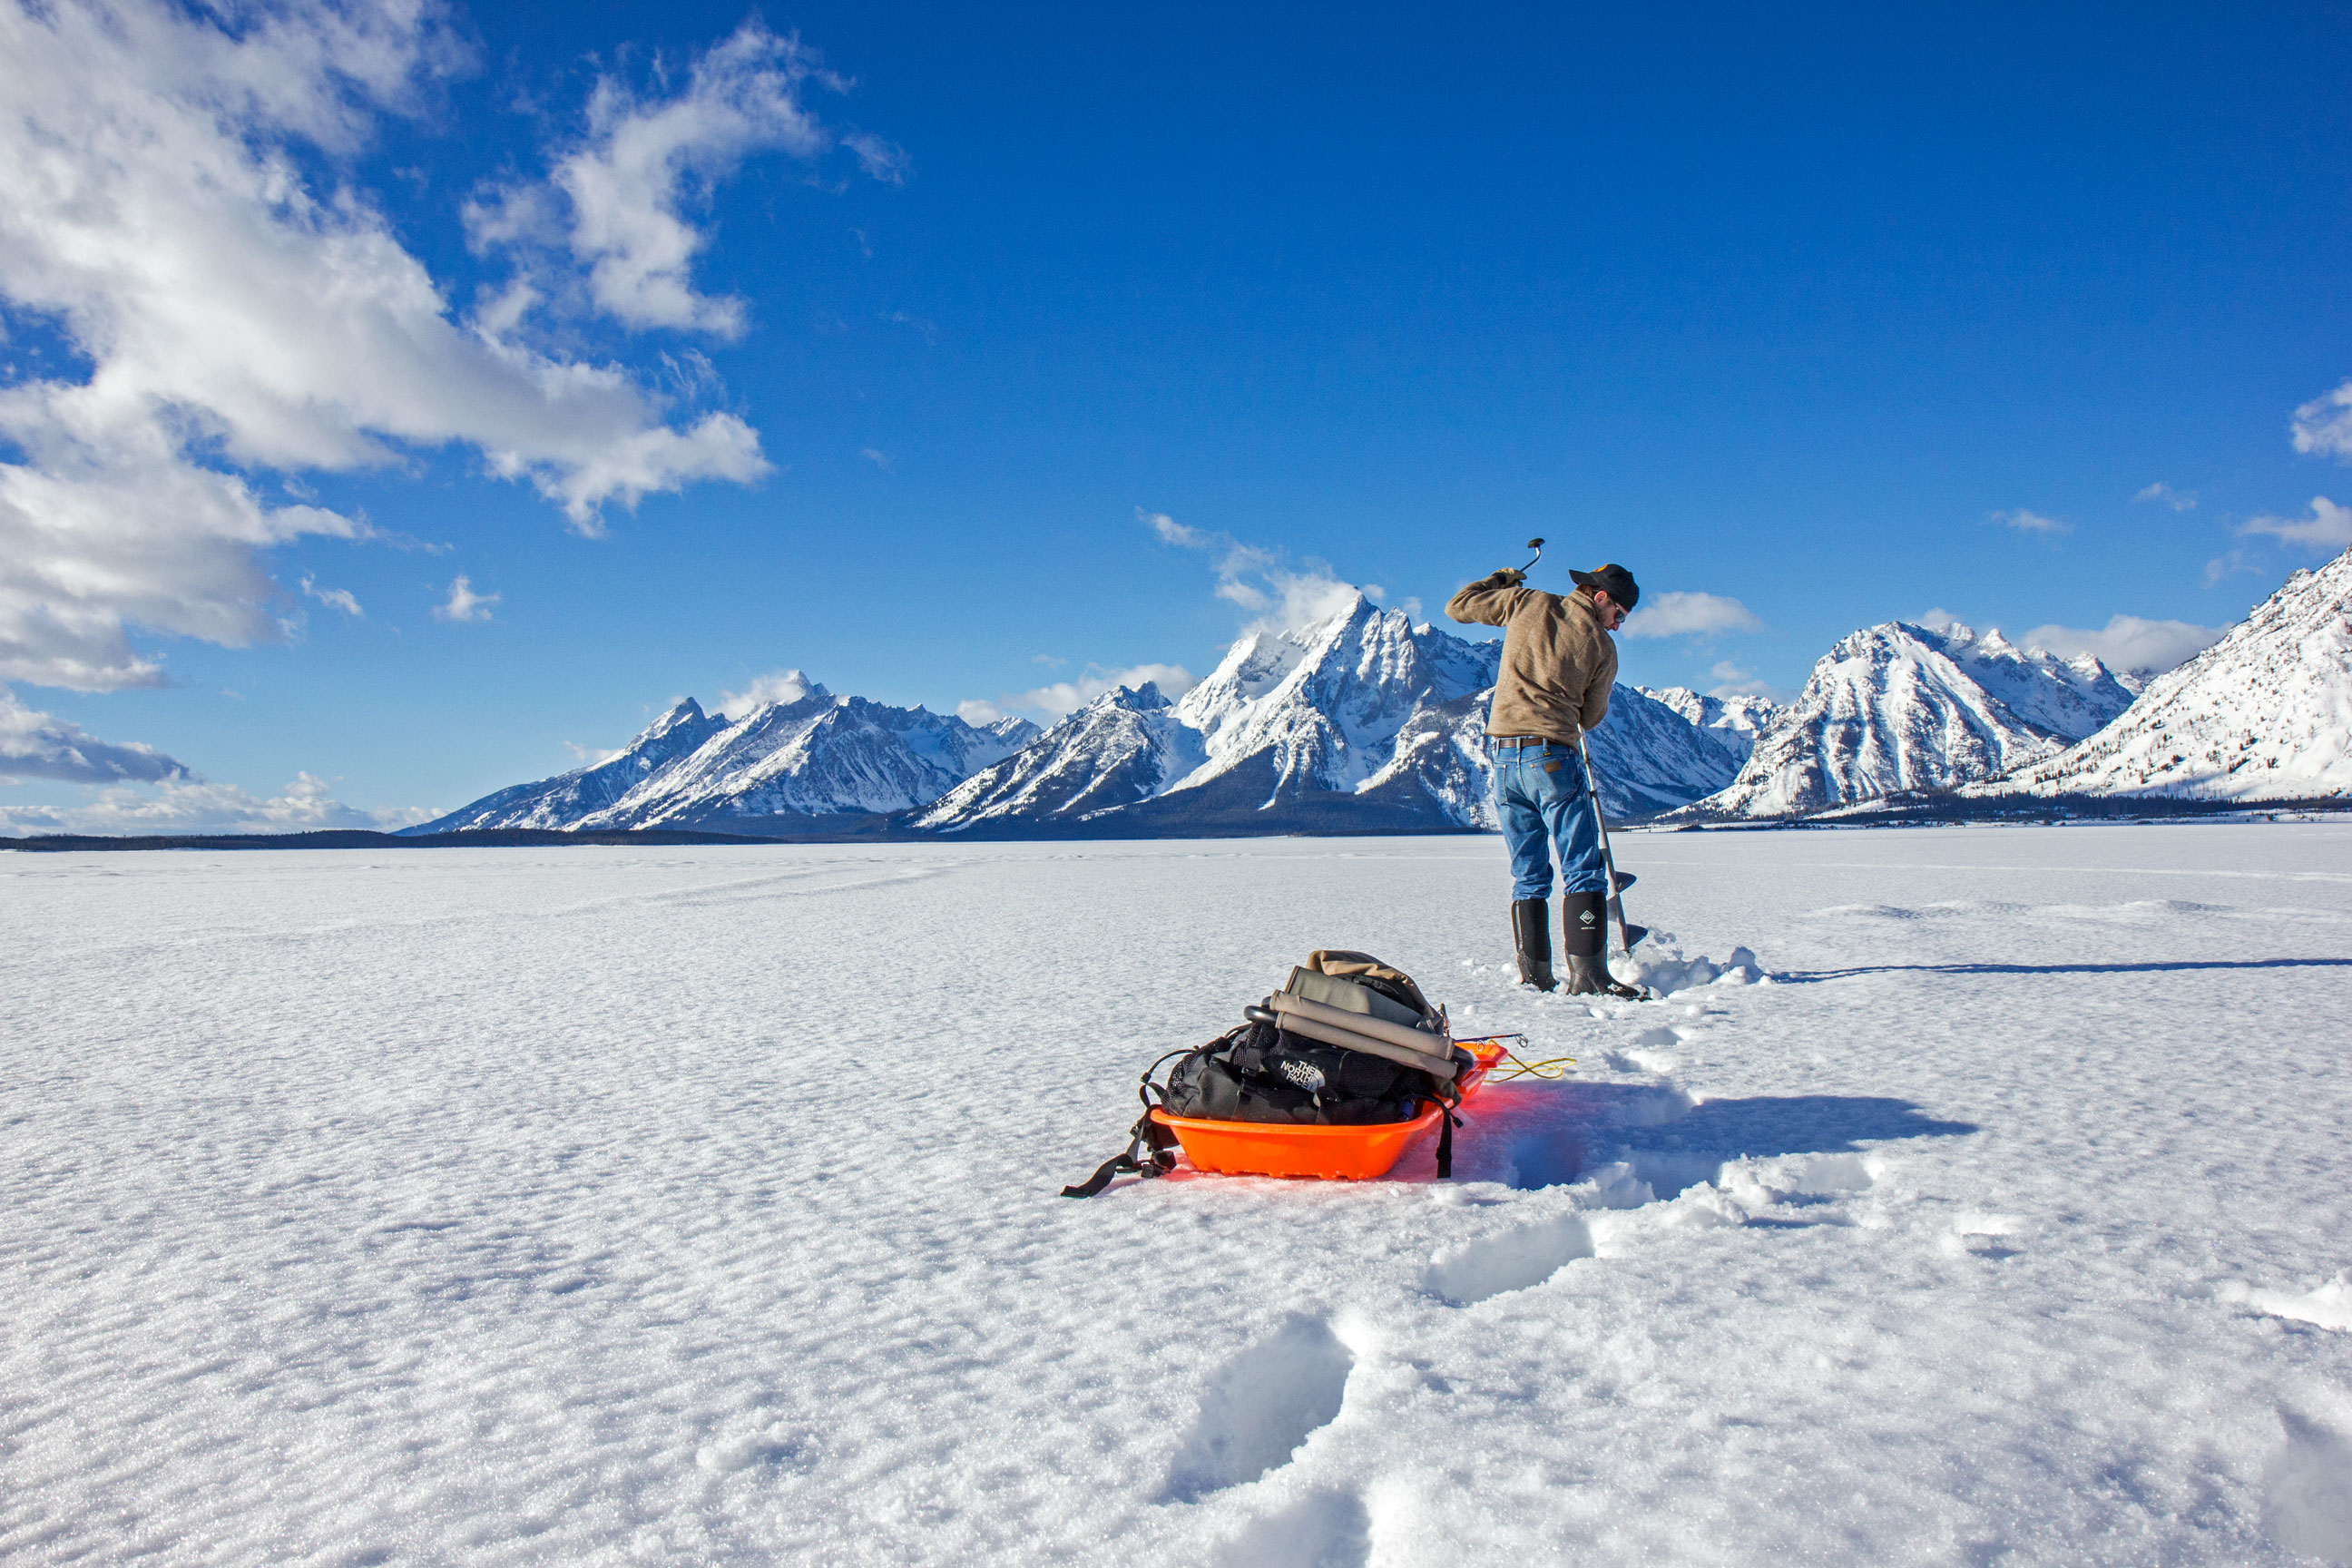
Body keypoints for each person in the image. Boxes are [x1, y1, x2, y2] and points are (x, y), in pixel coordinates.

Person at [1445, 559, 1644, 996]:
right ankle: (1589, 976)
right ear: (1602, 597)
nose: (1618, 625)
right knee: (1582, 869)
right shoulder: (1602, 646)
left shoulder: (1525, 601)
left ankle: (1535, 977)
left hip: (1502, 760)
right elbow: (1590, 717)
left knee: (1529, 875)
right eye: (1620, 615)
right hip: (1553, 757)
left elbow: (1458, 607)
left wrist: (1500, 579)